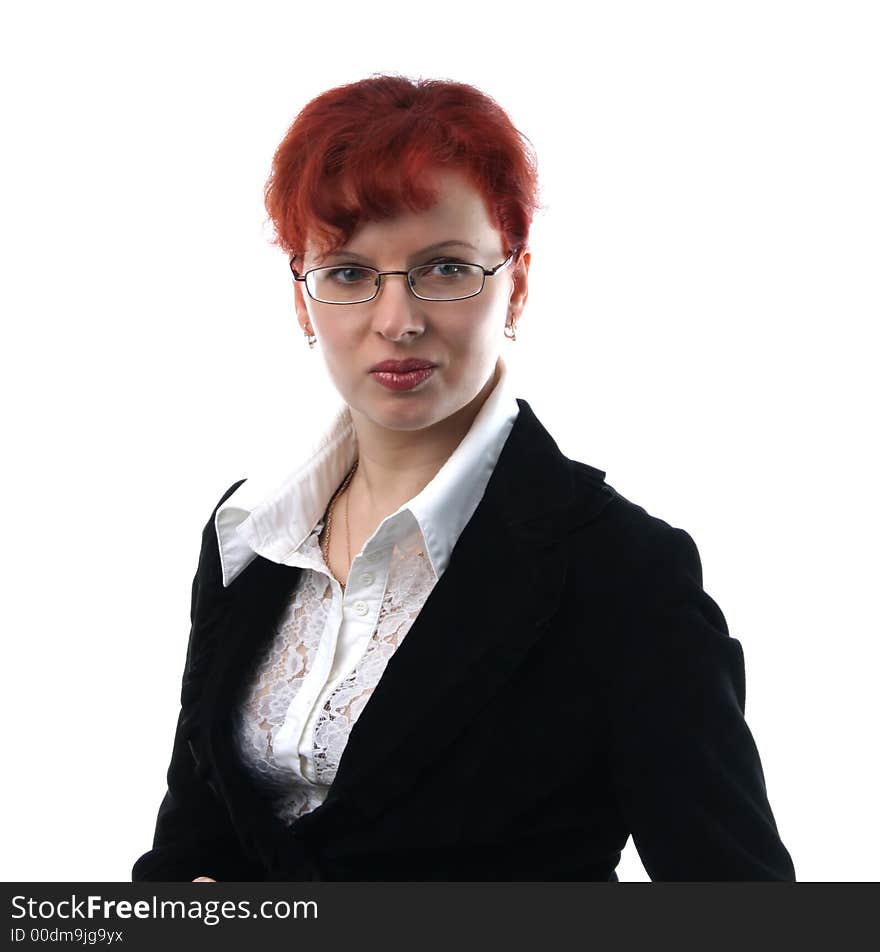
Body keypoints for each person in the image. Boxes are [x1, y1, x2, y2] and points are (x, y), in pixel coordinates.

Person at [132, 74, 795, 882]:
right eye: (347, 273)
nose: (397, 319)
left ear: (515, 281)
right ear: (302, 302)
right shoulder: (251, 532)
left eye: (444, 268)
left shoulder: (622, 571)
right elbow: (187, 853)